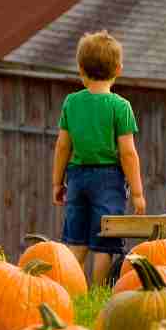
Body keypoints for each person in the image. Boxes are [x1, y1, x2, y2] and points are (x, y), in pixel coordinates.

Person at [51, 30, 146, 288]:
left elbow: (62, 146)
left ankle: (69, 292)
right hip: (109, 180)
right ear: (118, 68)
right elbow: (127, 153)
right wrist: (137, 192)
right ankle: (99, 292)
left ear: (81, 69)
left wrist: (57, 183)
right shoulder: (120, 107)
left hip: (77, 178)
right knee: (104, 242)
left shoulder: (71, 103)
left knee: (75, 241)